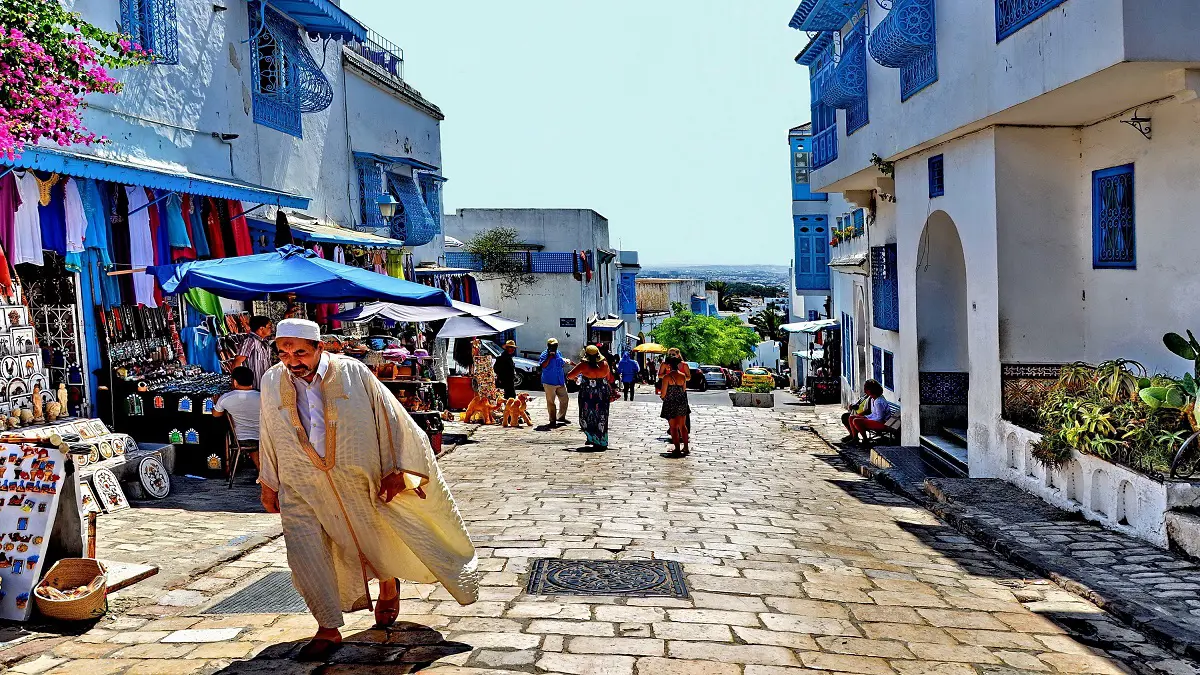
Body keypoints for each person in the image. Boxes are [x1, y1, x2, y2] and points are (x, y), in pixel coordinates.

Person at [257, 319, 478, 661]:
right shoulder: (272, 380)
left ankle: (388, 583)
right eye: (284, 351)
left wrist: (397, 469)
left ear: (320, 348)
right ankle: (327, 628)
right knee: (306, 554)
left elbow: (391, 419)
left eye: (300, 351)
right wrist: (268, 482)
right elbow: (268, 431)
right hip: (299, 484)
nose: (292, 359)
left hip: (359, 479)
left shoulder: (352, 372)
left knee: (374, 537)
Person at [567, 345, 615, 448]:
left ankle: (592, 437)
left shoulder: (583, 366)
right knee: (602, 416)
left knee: (587, 415)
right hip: (602, 393)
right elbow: (609, 378)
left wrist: (577, 378)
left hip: (587, 393)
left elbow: (569, 376)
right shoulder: (605, 364)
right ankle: (601, 440)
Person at [214, 367, 261, 470]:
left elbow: (216, 415)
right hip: (264, 438)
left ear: (235, 382)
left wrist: (215, 403)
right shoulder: (262, 396)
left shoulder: (225, 398)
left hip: (241, 438)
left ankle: (263, 473)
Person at [659, 348, 691, 455]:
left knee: (673, 427)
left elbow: (663, 393)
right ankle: (686, 447)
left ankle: (677, 448)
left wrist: (663, 397)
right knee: (683, 426)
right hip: (682, 401)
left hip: (671, 402)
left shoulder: (667, 377)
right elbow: (684, 389)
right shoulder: (682, 376)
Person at [233, 316, 274, 389]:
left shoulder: (264, 342)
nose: (271, 329)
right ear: (261, 328)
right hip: (255, 387)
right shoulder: (250, 341)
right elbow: (237, 361)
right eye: (269, 327)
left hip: (266, 385)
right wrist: (236, 384)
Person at [846, 379, 890, 445]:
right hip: (876, 420)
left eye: (866, 390)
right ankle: (855, 438)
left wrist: (866, 419)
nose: (865, 391)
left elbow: (880, 418)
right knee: (851, 417)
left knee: (856, 421)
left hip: (883, 423)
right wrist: (865, 417)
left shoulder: (879, 402)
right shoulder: (873, 399)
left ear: (870, 390)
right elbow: (873, 414)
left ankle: (865, 440)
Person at [539, 338, 570, 426]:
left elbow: (561, 363)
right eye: (551, 346)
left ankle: (561, 416)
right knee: (551, 402)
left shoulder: (559, 353)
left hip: (560, 381)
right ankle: (552, 420)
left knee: (565, 399)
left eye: (555, 346)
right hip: (549, 382)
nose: (553, 347)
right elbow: (543, 365)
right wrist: (549, 357)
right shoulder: (544, 354)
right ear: (548, 346)